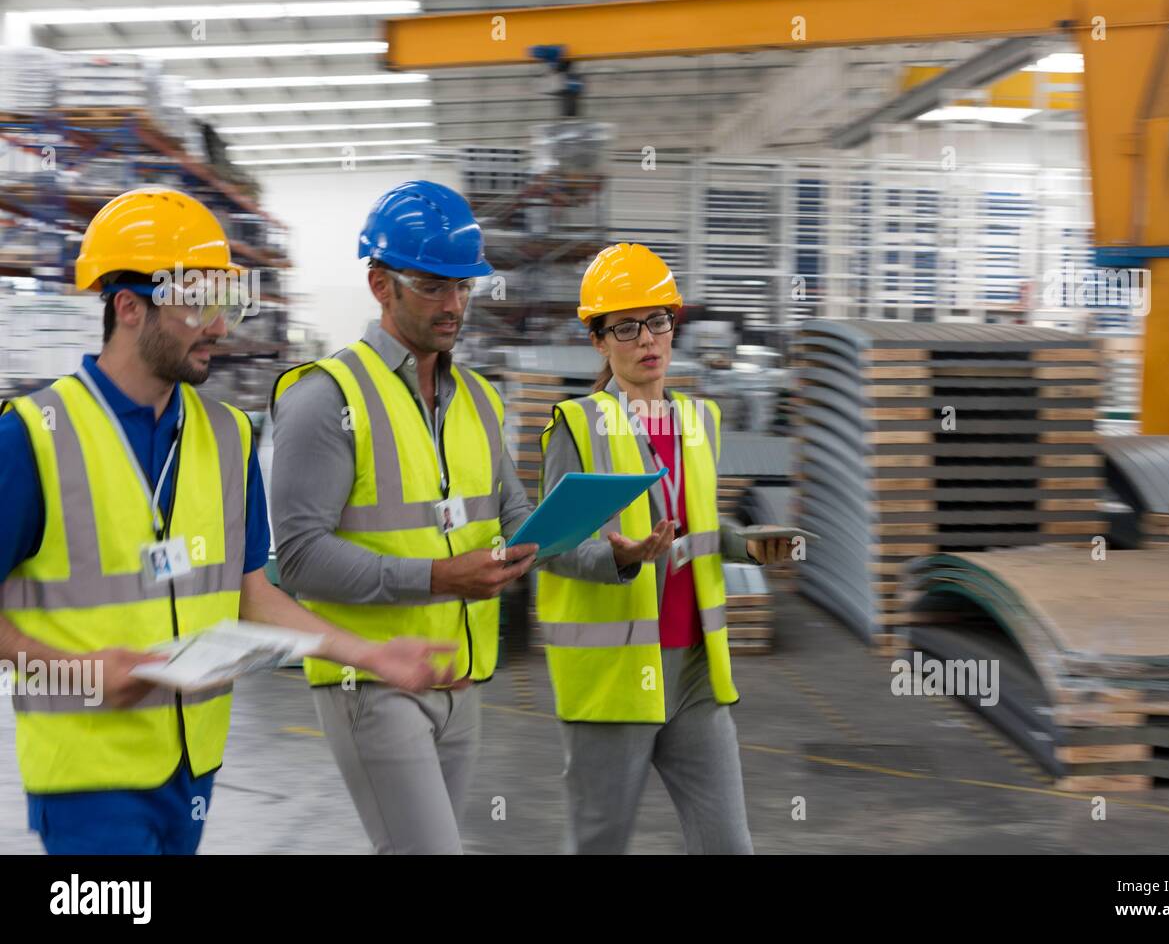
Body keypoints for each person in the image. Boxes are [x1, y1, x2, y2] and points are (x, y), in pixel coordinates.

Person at [0, 187, 449, 855]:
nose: (219, 326)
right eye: (198, 303)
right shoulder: (35, 437)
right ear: (129, 307)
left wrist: (371, 655)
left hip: (194, 767)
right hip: (88, 777)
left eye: (225, 302)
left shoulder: (227, 434)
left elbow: (255, 593)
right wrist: (85, 673)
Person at [270, 181, 538, 854]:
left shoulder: (478, 397)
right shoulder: (323, 398)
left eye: (465, 287)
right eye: (433, 286)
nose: (455, 305)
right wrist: (440, 577)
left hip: (459, 675)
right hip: (372, 681)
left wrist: (570, 541)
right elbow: (299, 559)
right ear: (379, 284)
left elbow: (512, 510)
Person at [536, 242, 794, 854]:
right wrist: (620, 558)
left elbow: (692, 528)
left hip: (695, 673)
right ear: (598, 340)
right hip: (617, 678)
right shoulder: (576, 426)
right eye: (625, 326)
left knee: (729, 846)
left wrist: (746, 545)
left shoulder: (700, 420)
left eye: (658, 321)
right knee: (600, 845)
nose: (647, 338)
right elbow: (548, 548)